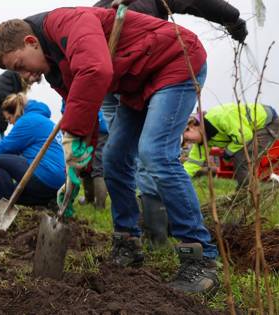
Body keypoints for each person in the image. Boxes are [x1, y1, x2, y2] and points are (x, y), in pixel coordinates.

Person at [0, 5, 219, 293]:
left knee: (155, 153)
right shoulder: (56, 66)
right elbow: (82, 109)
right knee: (113, 158)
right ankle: (127, 242)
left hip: (175, 61)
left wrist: (73, 132)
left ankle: (200, 258)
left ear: (30, 42)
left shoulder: (69, 23)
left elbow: (96, 70)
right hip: (137, 85)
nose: (27, 76)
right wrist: (77, 169)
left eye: (21, 65)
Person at [95, 0, 248, 248]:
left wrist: (232, 18)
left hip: (143, 75)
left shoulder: (108, 6)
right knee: (121, 155)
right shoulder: (107, 8)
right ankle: (145, 234)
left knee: (145, 153)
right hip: (121, 80)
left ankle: (162, 233)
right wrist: (233, 19)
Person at [0, 93, 65, 207]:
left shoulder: (27, 121)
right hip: (59, 182)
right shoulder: (44, 120)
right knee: (15, 192)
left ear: (16, 112)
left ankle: (2, 205)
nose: (10, 123)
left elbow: (4, 146)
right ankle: (49, 201)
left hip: (46, 175)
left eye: (9, 118)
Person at [183, 103, 279, 188]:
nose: (188, 143)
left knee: (242, 157)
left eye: (186, 139)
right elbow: (193, 163)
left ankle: (246, 194)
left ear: (191, 126)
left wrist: (228, 152)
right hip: (250, 129)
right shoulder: (201, 143)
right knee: (240, 156)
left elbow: (245, 136)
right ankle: (247, 192)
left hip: (267, 122)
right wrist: (177, 180)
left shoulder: (219, 117)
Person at [0, 70, 40, 148]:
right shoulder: (8, 77)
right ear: (28, 72)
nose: (31, 83)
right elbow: (10, 102)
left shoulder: (20, 84)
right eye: (33, 79)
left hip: (0, 125)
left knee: (3, 150)